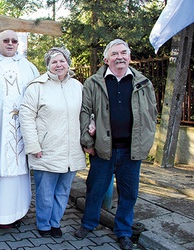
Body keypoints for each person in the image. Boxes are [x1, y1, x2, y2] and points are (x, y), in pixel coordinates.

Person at [75, 39, 157, 250]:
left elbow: (151, 114)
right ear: (106, 58)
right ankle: (88, 224)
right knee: (95, 190)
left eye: (123, 53)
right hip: (103, 149)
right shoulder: (94, 82)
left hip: (131, 151)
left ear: (129, 57)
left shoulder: (143, 83)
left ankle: (123, 232)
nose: (119, 57)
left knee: (129, 194)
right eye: (114, 54)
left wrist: (146, 143)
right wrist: (88, 141)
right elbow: (85, 113)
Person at [0, 30, 39, 229]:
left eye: (14, 41)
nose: (10, 44)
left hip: (19, 129)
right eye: (6, 40)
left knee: (17, 172)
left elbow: (37, 99)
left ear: (18, 44)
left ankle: (15, 214)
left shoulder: (29, 67)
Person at [19, 47, 86, 238]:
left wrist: (91, 127)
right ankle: (43, 223)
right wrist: (33, 146)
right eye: (54, 61)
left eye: (62, 61)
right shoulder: (37, 87)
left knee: (63, 191)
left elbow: (86, 113)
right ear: (47, 64)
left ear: (68, 63)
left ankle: (55, 222)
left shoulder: (77, 86)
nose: (58, 65)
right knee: (45, 192)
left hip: (71, 149)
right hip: (46, 149)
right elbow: (26, 117)